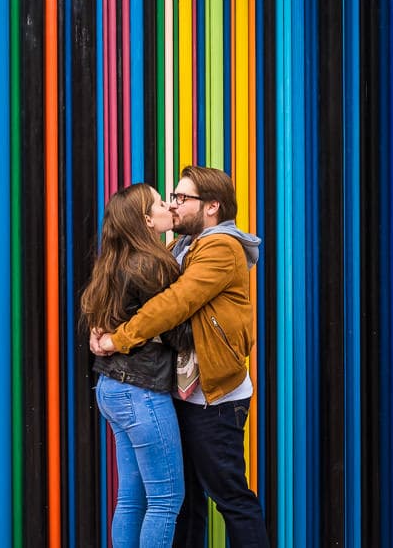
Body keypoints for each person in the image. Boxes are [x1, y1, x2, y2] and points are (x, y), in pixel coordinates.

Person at [94, 165, 269, 547]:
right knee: (184, 500)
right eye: (169, 198)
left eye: (181, 198)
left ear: (211, 206)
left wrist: (117, 338)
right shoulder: (180, 247)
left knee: (229, 495)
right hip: (184, 392)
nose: (174, 205)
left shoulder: (221, 246)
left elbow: (175, 303)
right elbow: (134, 292)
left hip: (215, 396)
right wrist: (103, 324)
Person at [81, 183, 191, 547]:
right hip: (140, 391)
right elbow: (176, 331)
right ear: (147, 219)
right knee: (165, 499)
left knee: (132, 498)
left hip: (111, 389)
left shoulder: (113, 261)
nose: (168, 206)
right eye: (161, 202)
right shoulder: (153, 264)